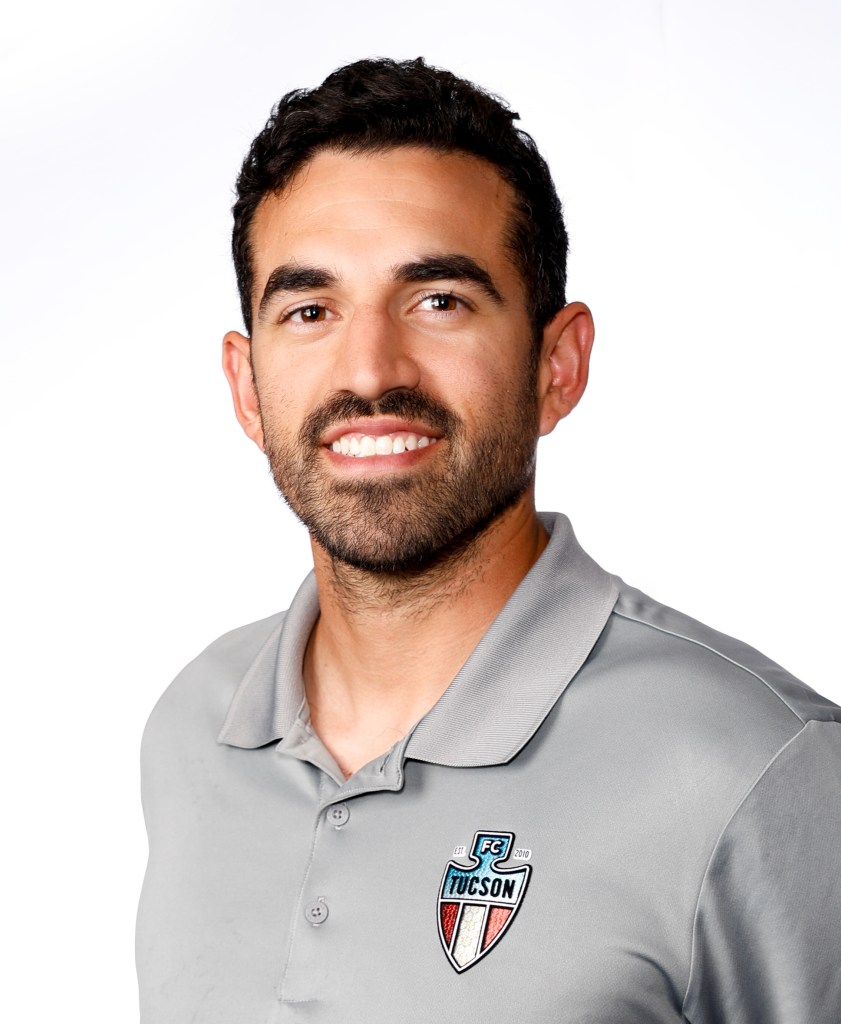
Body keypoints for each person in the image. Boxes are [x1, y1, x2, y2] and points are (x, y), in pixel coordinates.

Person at [137, 58, 841, 1023]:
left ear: (557, 365)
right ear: (246, 388)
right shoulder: (194, 728)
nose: (369, 371)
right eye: (310, 311)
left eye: (438, 301)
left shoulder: (757, 766)